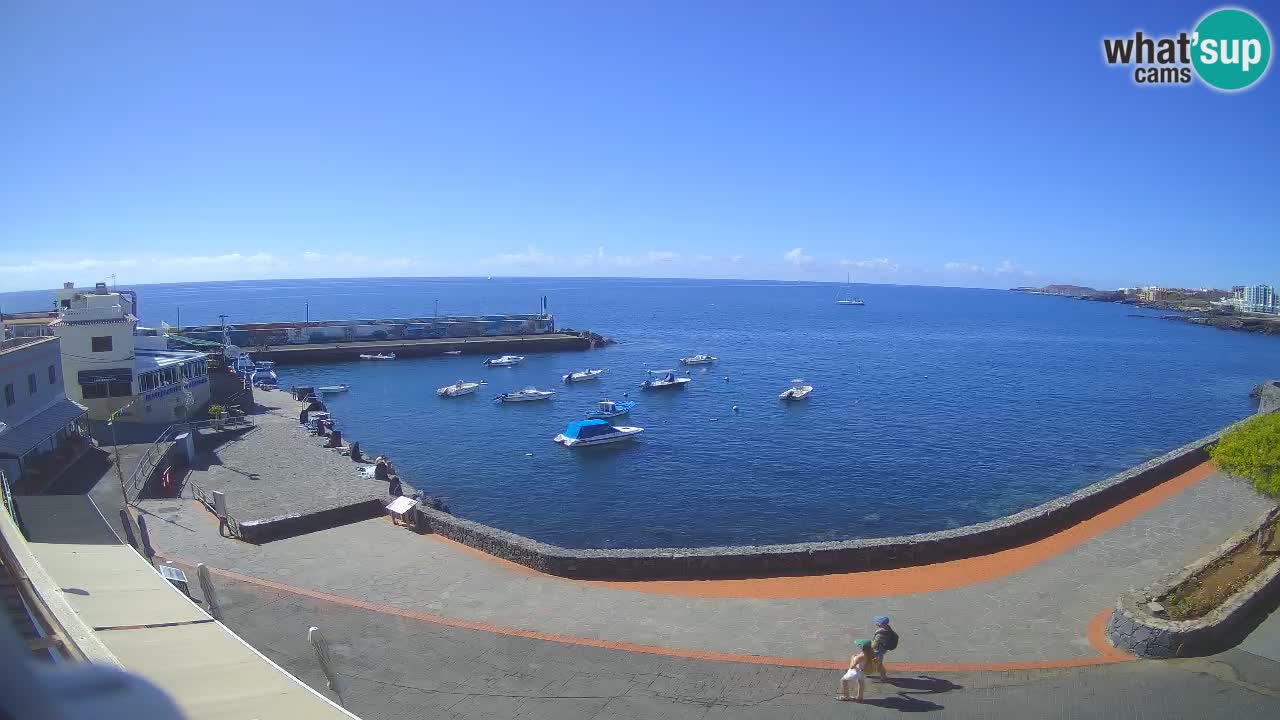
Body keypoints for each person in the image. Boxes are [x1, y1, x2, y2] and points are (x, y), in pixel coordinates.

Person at [871, 615, 898, 681]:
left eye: (877, 621)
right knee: (878, 664)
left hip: (877, 651)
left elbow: (873, 646)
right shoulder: (888, 628)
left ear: (880, 624)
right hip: (882, 650)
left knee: (879, 665)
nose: (875, 622)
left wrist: (867, 644)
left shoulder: (880, 634)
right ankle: (883, 677)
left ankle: (884, 677)